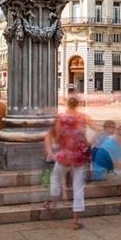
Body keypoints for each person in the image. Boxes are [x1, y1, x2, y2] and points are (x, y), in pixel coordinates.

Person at [45, 97, 93, 229]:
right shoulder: (82, 118)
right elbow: (85, 138)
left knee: (55, 178)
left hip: (64, 156)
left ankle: (54, 205)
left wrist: (53, 151)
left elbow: (57, 136)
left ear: (67, 105)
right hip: (79, 157)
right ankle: (75, 221)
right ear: (77, 105)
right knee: (78, 188)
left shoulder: (61, 118)